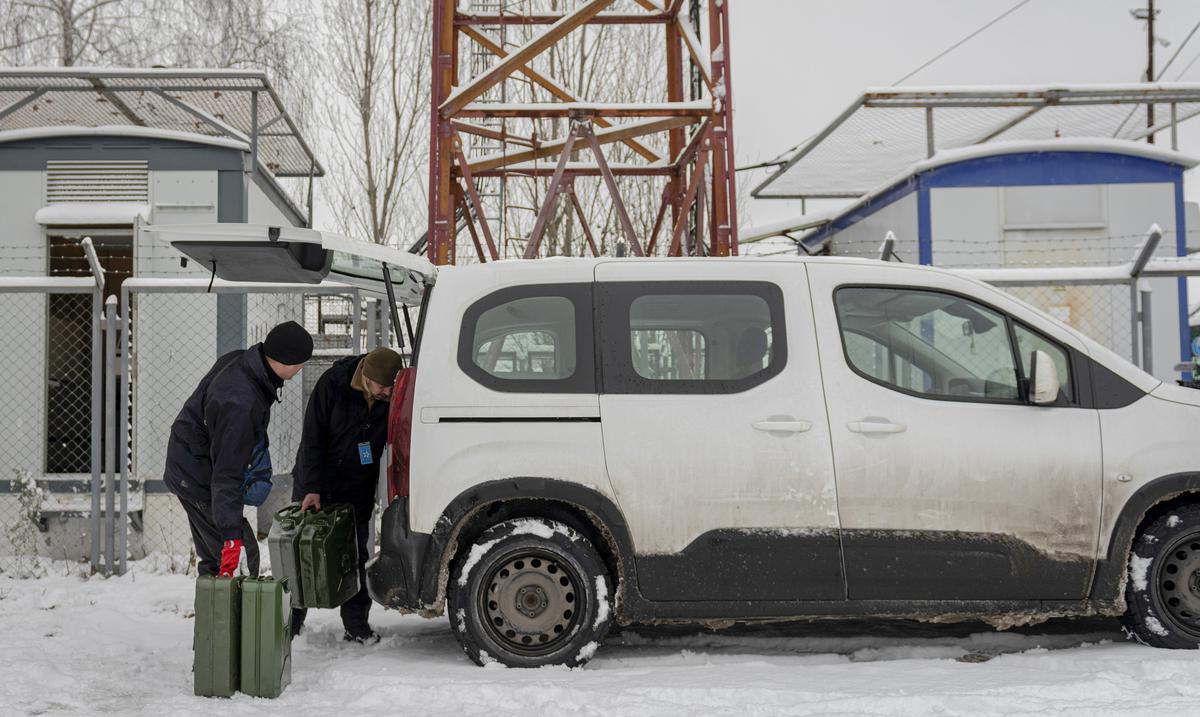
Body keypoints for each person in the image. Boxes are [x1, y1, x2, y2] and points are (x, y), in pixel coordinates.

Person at [164, 321, 313, 578]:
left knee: (217, 561)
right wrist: (232, 536)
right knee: (239, 559)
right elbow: (226, 472)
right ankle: (234, 615)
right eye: (301, 364)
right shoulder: (241, 402)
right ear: (289, 362)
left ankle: (216, 613)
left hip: (190, 466)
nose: (301, 369)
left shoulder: (244, 363)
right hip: (198, 477)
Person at [290, 346, 404, 643]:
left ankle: (356, 626)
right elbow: (312, 437)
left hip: (357, 484)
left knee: (355, 555)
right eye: (382, 386)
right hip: (317, 481)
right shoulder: (333, 384)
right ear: (366, 376)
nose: (387, 392)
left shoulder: (389, 395)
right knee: (304, 554)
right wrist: (311, 487)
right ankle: (290, 623)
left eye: (391, 387)